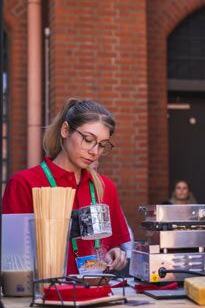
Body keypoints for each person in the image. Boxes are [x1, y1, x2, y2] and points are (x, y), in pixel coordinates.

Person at [3, 98, 130, 275]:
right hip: (46, 295)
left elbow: (114, 245)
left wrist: (115, 253)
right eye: (88, 139)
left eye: (102, 145)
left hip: (97, 293)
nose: (94, 152)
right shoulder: (24, 184)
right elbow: (13, 258)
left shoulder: (106, 187)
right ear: (65, 130)